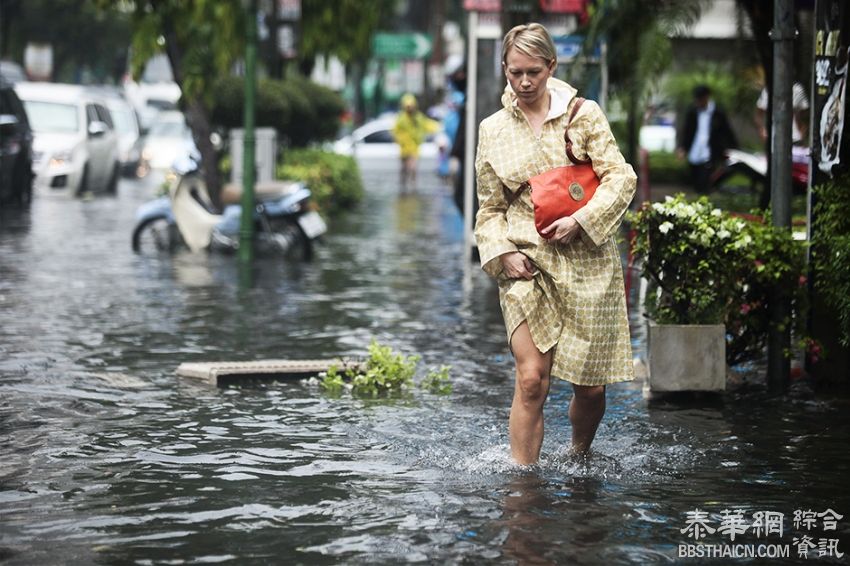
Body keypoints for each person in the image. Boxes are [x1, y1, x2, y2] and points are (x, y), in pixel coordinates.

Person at [474, 23, 637, 465]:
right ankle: (522, 482)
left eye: (533, 72)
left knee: (591, 386)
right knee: (531, 379)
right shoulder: (493, 130)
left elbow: (621, 177)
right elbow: (489, 209)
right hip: (529, 261)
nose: (524, 83)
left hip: (588, 262)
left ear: (551, 66)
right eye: (514, 73)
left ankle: (578, 457)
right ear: (504, 71)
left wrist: (582, 220)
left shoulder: (583, 114)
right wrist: (503, 253)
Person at [676, 84, 738, 194]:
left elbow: (727, 132)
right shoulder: (692, 112)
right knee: (696, 182)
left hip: (710, 153)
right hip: (694, 152)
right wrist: (683, 147)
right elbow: (687, 131)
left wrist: (733, 149)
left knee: (706, 182)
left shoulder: (718, 112)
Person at [392, 93, 440, 191]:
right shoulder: (401, 119)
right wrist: (402, 140)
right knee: (404, 170)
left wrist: (439, 127)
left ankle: (412, 188)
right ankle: (404, 188)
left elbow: (427, 124)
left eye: (411, 106)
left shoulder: (418, 118)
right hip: (404, 149)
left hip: (414, 149)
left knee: (412, 169)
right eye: (408, 107)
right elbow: (395, 132)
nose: (410, 109)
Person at [755, 81, 810, 146]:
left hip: (795, 138)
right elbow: (759, 113)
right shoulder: (768, 90)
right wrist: (762, 131)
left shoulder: (797, 89)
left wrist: (802, 132)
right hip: (774, 139)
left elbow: (805, 114)